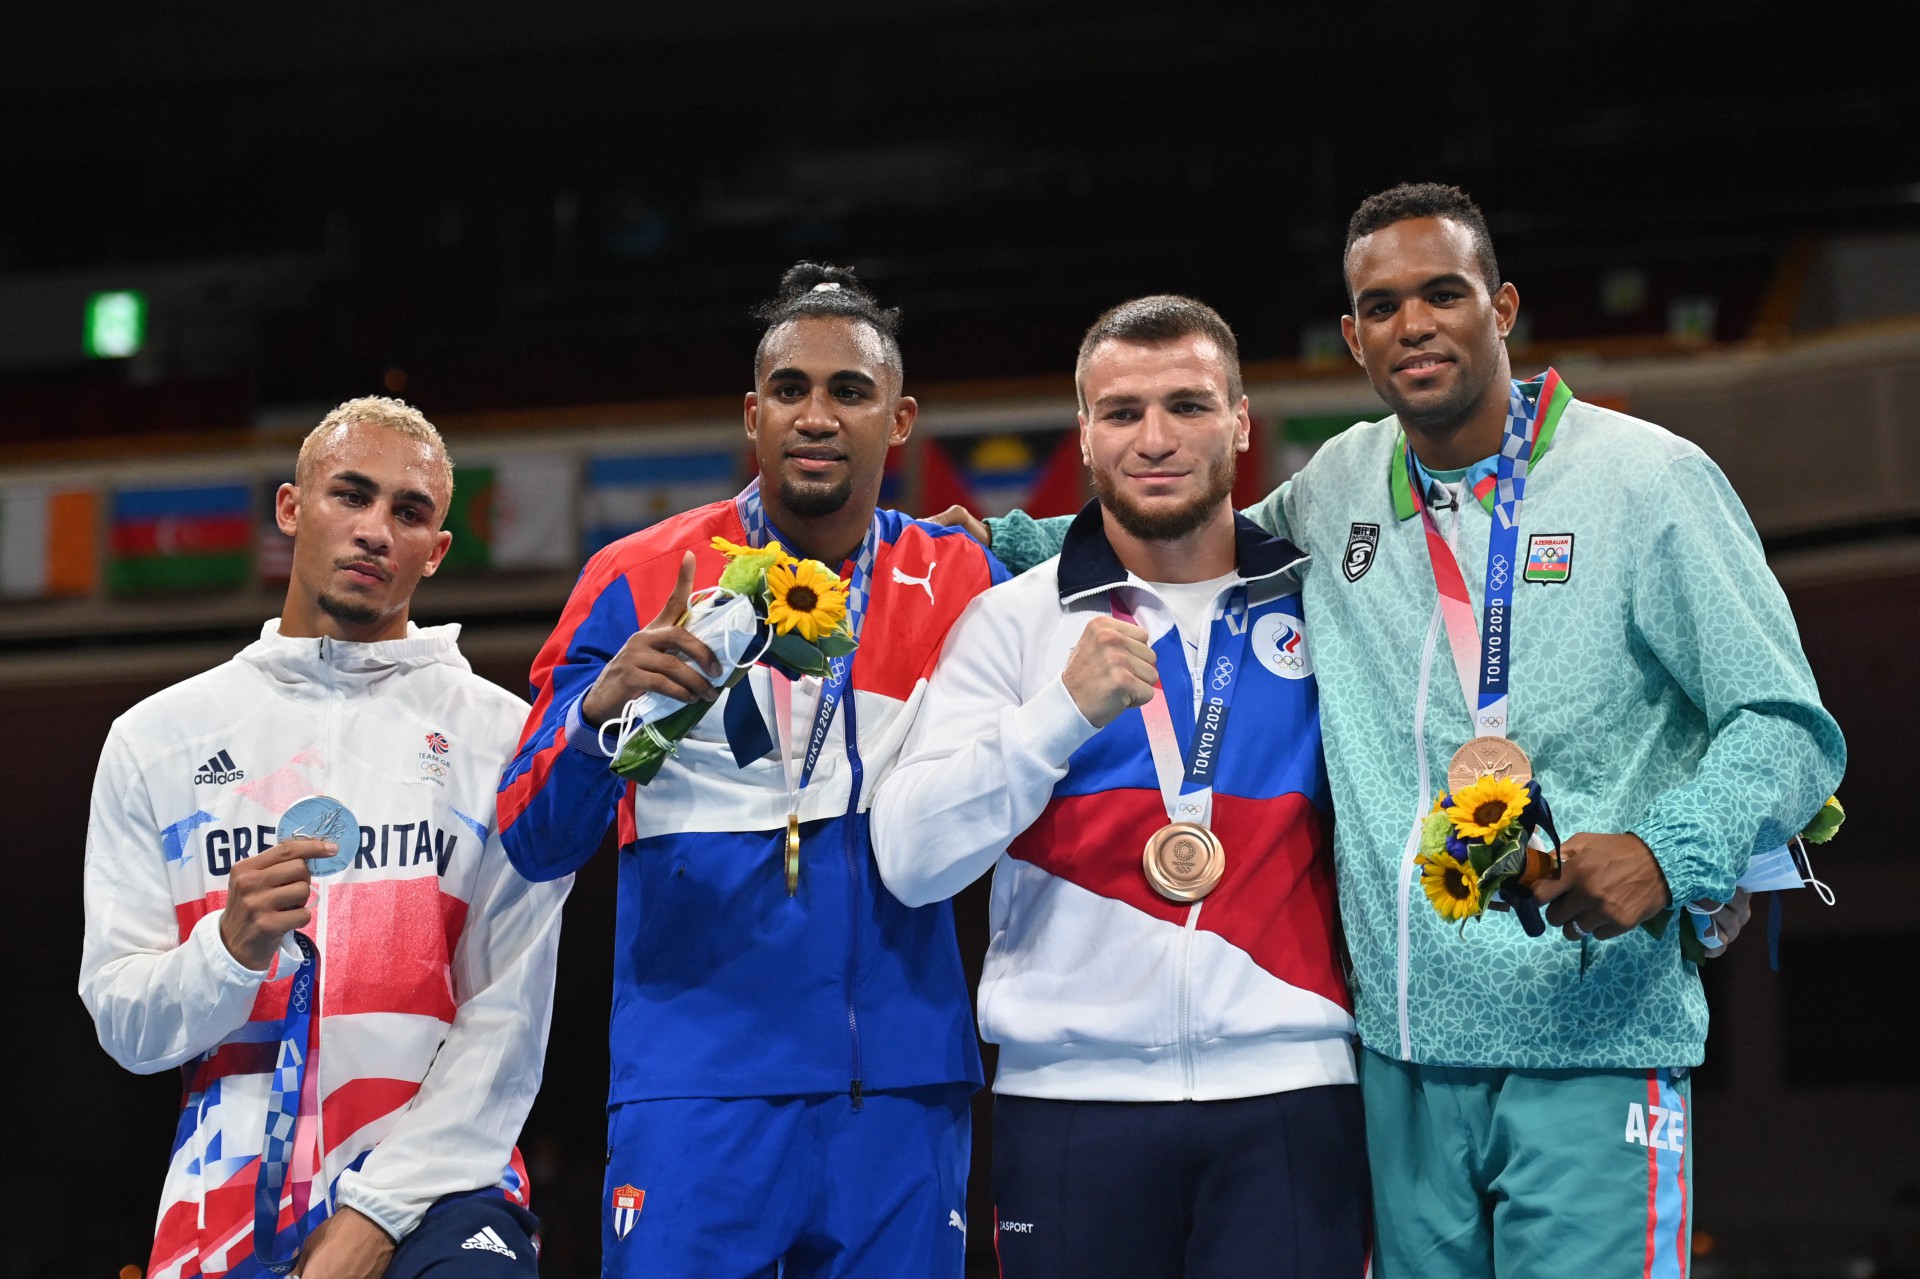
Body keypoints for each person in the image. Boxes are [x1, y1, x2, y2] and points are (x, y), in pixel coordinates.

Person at [980, 185, 1844, 1277]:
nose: (1413, 325)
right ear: (1352, 336)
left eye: (1444, 293)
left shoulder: (1649, 480)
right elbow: (1187, 538)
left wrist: (1669, 856)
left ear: (1504, 306)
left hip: (1590, 1045)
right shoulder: (1339, 485)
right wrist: (978, 543)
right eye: (1380, 306)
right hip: (1398, 1062)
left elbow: (1785, 724)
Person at [497, 263, 1007, 1277]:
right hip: (697, 1084)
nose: (817, 415)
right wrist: (603, 712)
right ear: (751, 413)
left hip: (901, 1085)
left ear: (899, 420)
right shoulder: (641, 575)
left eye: (850, 392)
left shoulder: (963, 579)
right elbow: (530, 834)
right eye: (790, 390)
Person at [873, 296, 1368, 1278]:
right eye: (1122, 412)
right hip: (1068, 1109)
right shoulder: (1013, 623)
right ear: (1086, 437)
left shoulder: (1331, 610)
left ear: (1239, 421)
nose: (1155, 438)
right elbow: (912, 859)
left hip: (1294, 1098)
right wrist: (1058, 713)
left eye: (1187, 405)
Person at [80, 398, 569, 1279]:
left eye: (408, 512)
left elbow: (510, 1018)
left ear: (438, 549)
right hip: (226, 1197)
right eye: (351, 495)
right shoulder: (157, 740)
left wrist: (377, 1214)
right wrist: (227, 950)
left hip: (446, 1186)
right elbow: (125, 1022)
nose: (376, 530)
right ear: (291, 509)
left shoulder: (504, 740)